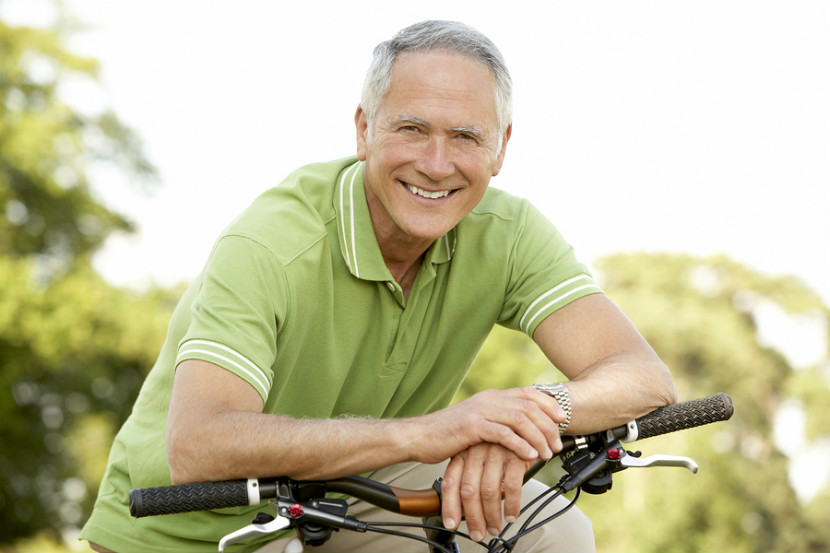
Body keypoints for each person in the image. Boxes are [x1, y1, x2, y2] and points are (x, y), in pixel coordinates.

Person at [80, 20, 676, 553]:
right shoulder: (270, 245)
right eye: (413, 129)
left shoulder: (509, 232)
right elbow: (198, 446)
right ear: (364, 130)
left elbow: (642, 378)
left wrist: (524, 420)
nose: (437, 164)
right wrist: (427, 433)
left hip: (347, 500)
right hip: (181, 529)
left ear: (501, 148)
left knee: (552, 526)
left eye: (466, 137)